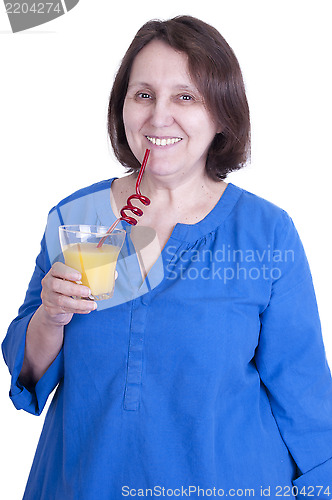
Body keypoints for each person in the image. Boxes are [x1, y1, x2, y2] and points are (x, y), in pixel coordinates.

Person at [2, 15, 332, 500]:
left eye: (186, 96)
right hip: (84, 484)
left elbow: (305, 398)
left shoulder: (266, 232)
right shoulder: (77, 217)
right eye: (143, 95)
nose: (159, 117)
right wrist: (50, 317)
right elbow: (27, 372)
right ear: (123, 108)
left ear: (220, 113)